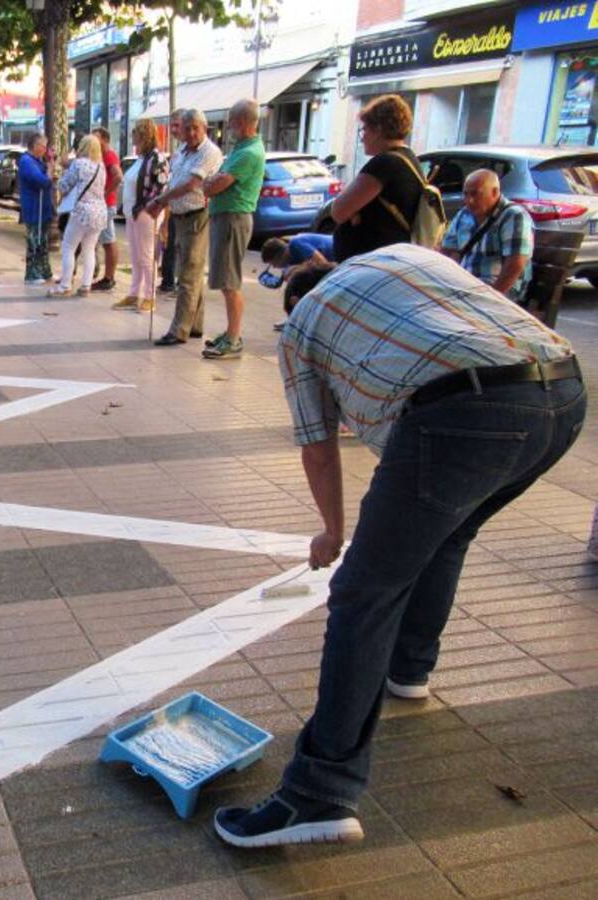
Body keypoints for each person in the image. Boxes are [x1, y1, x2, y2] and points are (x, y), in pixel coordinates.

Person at [214, 242, 585, 848]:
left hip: (468, 411)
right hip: (564, 394)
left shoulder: (303, 325)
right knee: (449, 532)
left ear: (299, 300)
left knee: (363, 593)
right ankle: (409, 670)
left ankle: (318, 794)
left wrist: (333, 534)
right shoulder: (405, 257)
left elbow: (318, 445)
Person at [146, 109, 223, 345]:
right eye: (186, 128)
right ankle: (195, 324)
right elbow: (175, 180)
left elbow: (191, 184)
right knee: (192, 271)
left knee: (188, 273)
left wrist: (161, 200)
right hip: (180, 215)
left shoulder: (209, 152)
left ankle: (179, 329)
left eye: (194, 128)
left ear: (204, 129)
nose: (189, 133)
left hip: (197, 215)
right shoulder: (181, 151)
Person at [201, 99, 266, 360]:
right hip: (227, 217)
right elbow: (213, 182)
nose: (228, 127)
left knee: (230, 281)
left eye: (231, 122)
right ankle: (230, 332)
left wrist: (211, 183)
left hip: (233, 218)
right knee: (227, 279)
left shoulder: (249, 153)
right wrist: (211, 182)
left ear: (241, 122)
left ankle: (234, 338)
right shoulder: (242, 150)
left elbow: (214, 185)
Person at [330, 94, 422, 263]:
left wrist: (354, 212)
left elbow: (339, 211)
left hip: (371, 262)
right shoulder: (408, 158)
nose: (363, 137)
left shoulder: (385, 163)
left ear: (378, 129)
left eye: (364, 129)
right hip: (387, 259)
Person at [441, 169, 533, 302]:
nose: (469, 200)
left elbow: (515, 264)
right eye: (465, 194)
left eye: (475, 194)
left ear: (495, 192)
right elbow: (448, 251)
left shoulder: (514, 215)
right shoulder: (464, 214)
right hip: (465, 284)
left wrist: (492, 299)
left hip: (498, 289)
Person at [112, 117, 169, 313]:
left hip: (145, 213)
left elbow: (161, 186)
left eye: (135, 132)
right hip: (132, 212)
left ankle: (149, 296)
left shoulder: (157, 158)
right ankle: (134, 293)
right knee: (136, 256)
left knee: (146, 256)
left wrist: (146, 208)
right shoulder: (141, 159)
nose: (132, 136)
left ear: (144, 134)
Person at [49, 134, 106, 298]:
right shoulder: (100, 166)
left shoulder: (79, 164)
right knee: (89, 249)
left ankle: (65, 285)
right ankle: (86, 286)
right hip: (99, 212)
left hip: (82, 211)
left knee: (69, 246)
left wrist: (57, 179)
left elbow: (64, 185)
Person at [17, 132, 54, 285]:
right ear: (36, 146)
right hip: (34, 208)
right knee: (35, 240)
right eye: (44, 146)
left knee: (43, 241)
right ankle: (32, 273)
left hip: (42, 208)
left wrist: (49, 163)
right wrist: (50, 171)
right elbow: (42, 181)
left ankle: (45, 272)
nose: (46, 150)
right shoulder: (27, 161)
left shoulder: (37, 161)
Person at [90, 126, 123, 292]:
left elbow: (118, 176)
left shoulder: (109, 155)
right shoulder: (100, 156)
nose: (94, 141)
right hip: (104, 204)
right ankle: (105, 276)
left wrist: (105, 193)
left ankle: (109, 277)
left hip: (106, 204)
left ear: (105, 139)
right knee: (105, 240)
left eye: (97, 138)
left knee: (108, 241)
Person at [157, 111, 184, 295]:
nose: (173, 130)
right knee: (170, 245)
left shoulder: (202, 152)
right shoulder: (179, 153)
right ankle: (169, 281)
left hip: (191, 211)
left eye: (177, 125)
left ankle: (180, 284)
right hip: (174, 207)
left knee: (183, 250)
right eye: (171, 125)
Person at [260, 232, 335, 272]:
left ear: (278, 257)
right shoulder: (290, 260)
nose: (274, 267)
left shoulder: (296, 243)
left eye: (273, 264)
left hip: (339, 248)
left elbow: (322, 263)